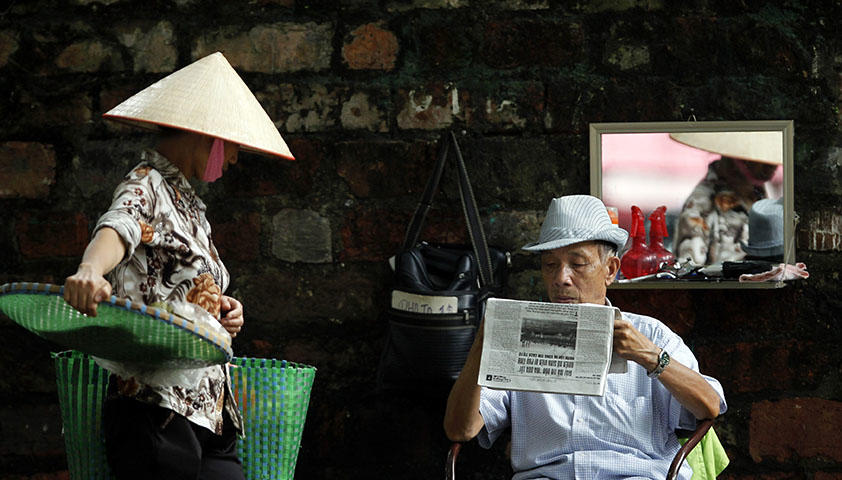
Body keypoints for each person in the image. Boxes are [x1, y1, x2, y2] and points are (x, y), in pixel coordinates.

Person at [63, 52, 294, 480]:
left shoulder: (190, 205)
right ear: (206, 136)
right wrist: (91, 270)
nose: (235, 159)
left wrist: (223, 309)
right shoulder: (146, 182)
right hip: (156, 410)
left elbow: (176, 284)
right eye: (234, 146)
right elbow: (119, 226)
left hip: (209, 414)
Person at [443, 195, 726, 480]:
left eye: (577, 264)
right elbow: (460, 430)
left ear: (611, 270)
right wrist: (482, 346)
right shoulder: (520, 335)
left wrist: (651, 357)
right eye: (550, 265)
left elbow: (709, 406)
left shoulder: (650, 333)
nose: (561, 278)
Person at [670, 131, 782, 265]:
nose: (772, 166)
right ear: (742, 158)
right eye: (762, 157)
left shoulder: (758, 194)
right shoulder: (701, 203)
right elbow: (687, 269)